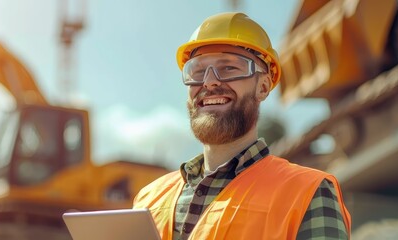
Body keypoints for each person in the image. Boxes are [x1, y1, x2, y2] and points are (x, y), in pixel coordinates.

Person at [133, 12, 351, 239]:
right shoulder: (148, 200)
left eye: (228, 68)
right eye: (197, 71)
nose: (209, 81)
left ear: (263, 87)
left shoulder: (308, 192)